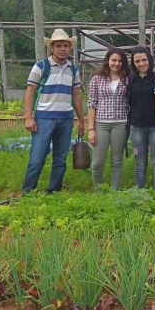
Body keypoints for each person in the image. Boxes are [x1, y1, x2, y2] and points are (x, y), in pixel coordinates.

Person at [22, 29, 85, 195]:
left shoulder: (73, 69)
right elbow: (30, 91)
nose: (62, 49)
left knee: (60, 159)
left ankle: (54, 191)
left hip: (66, 119)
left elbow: (76, 95)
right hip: (44, 118)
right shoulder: (42, 66)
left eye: (65, 45)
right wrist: (28, 117)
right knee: (37, 159)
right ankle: (28, 192)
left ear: (70, 48)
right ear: (52, 48)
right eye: (59, 46)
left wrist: (81, 120)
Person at [87, 48, 130, 190]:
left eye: (120, 61)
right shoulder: (97, 79)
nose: (117, 64)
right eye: (114, 60)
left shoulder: (127, 79)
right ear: (108, 61)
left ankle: (114, 192)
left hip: (121, 123)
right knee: (97, 162)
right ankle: (99, 191)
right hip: (101, 124)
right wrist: (91, 129)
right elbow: (91, 104)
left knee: (116, 161)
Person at [128, 46, 155, 190]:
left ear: (149, 59)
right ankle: (140, 194)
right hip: (137, 126)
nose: (141, 63)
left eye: (144, 60)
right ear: (133, 63)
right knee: (140, 164)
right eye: (137, 61)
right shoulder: (131, 79)